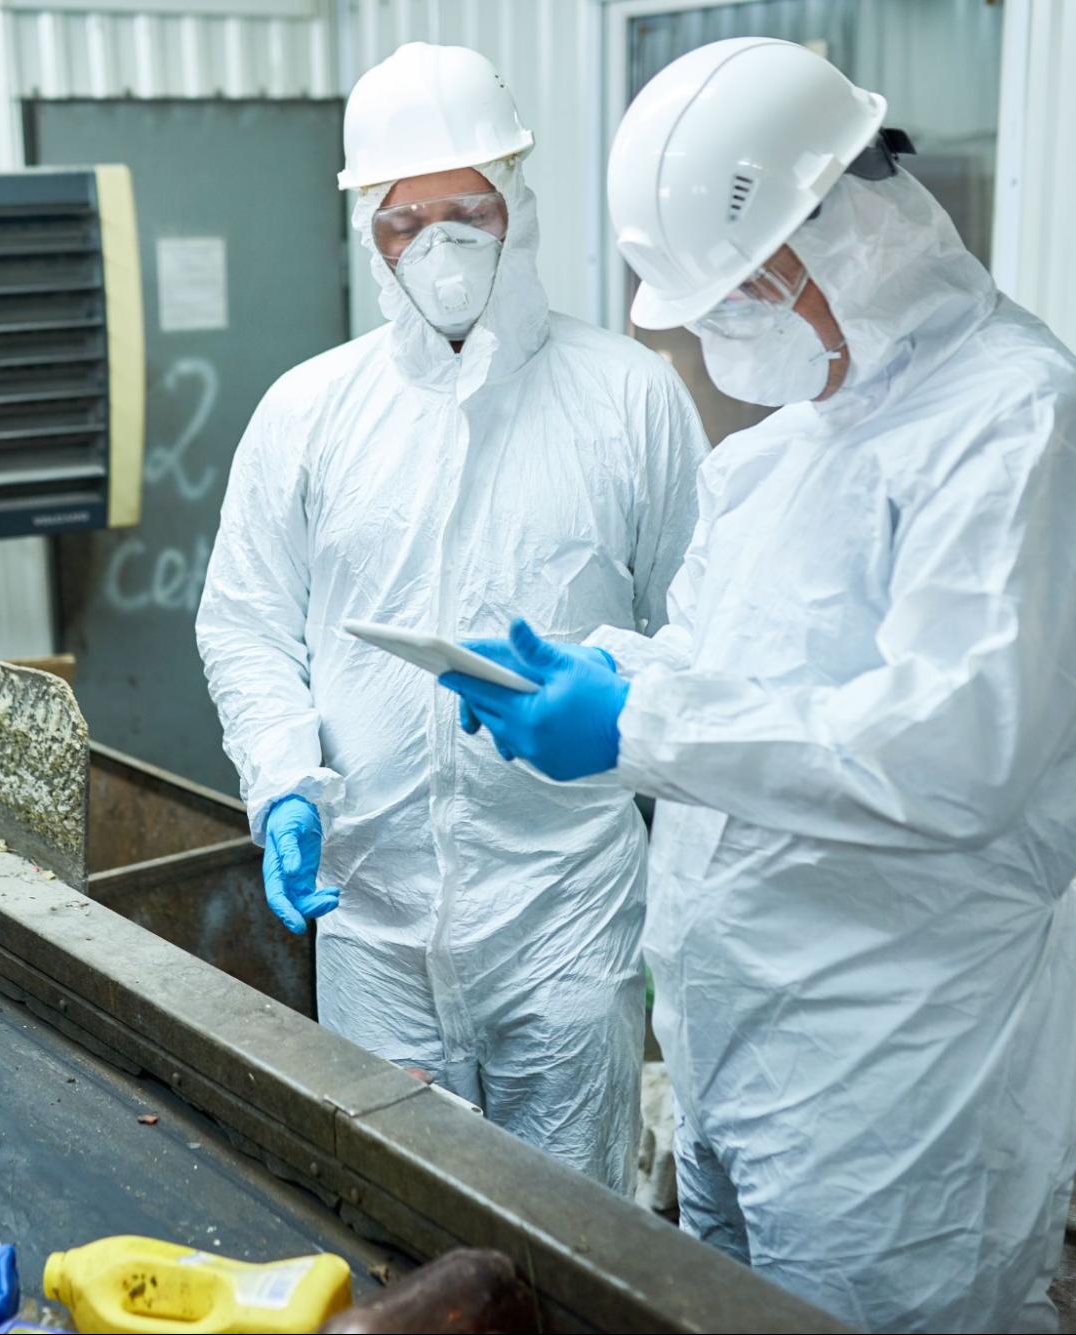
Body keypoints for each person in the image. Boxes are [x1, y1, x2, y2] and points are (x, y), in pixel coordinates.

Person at [441, 38, 1076, 1333]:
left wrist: (637, 721)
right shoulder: (785, 453)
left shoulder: (1025, 431)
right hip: (734, 1054)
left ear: (846, 235)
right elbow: (731, 688)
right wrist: (597, 675)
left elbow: (952, 750)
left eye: (733, 300)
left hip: (895, 1089)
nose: (723, 339)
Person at [194, 42, 706, 1190]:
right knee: (396, 1220)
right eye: (402, 219)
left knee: (571, 1230)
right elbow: (245, 622)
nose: (440, 244)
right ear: (367, 231)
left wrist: (625, 714)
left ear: (516, 200)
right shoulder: (310, 411)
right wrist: (281, 778)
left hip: (567, 912)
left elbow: (702, 637)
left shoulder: (628, 398)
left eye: (467, 208)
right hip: (372, 918)